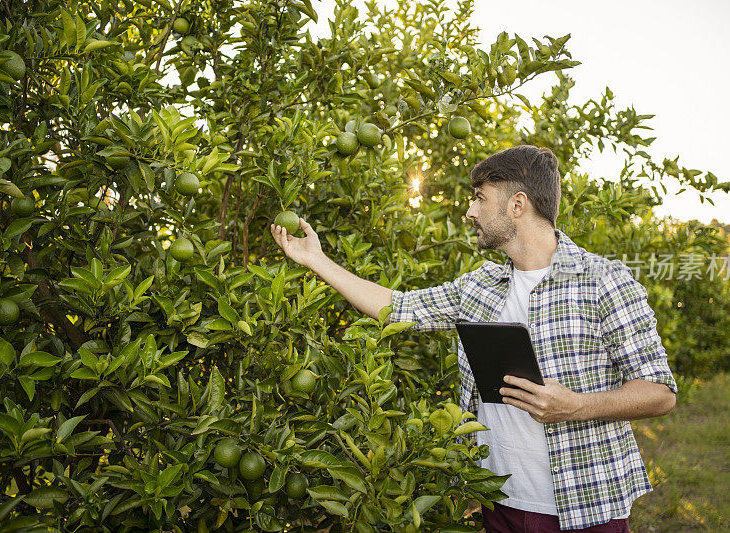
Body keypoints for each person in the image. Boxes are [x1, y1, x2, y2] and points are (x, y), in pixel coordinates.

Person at [269, 144, 677, 532]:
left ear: (518, 205)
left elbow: (660, 392)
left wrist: (575, 406)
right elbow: (395, 308)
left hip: (585, 506)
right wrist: (316, 260)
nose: (469, 211)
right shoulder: (480, 285)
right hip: (499, 501)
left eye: (480, 198)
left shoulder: (603, 281)